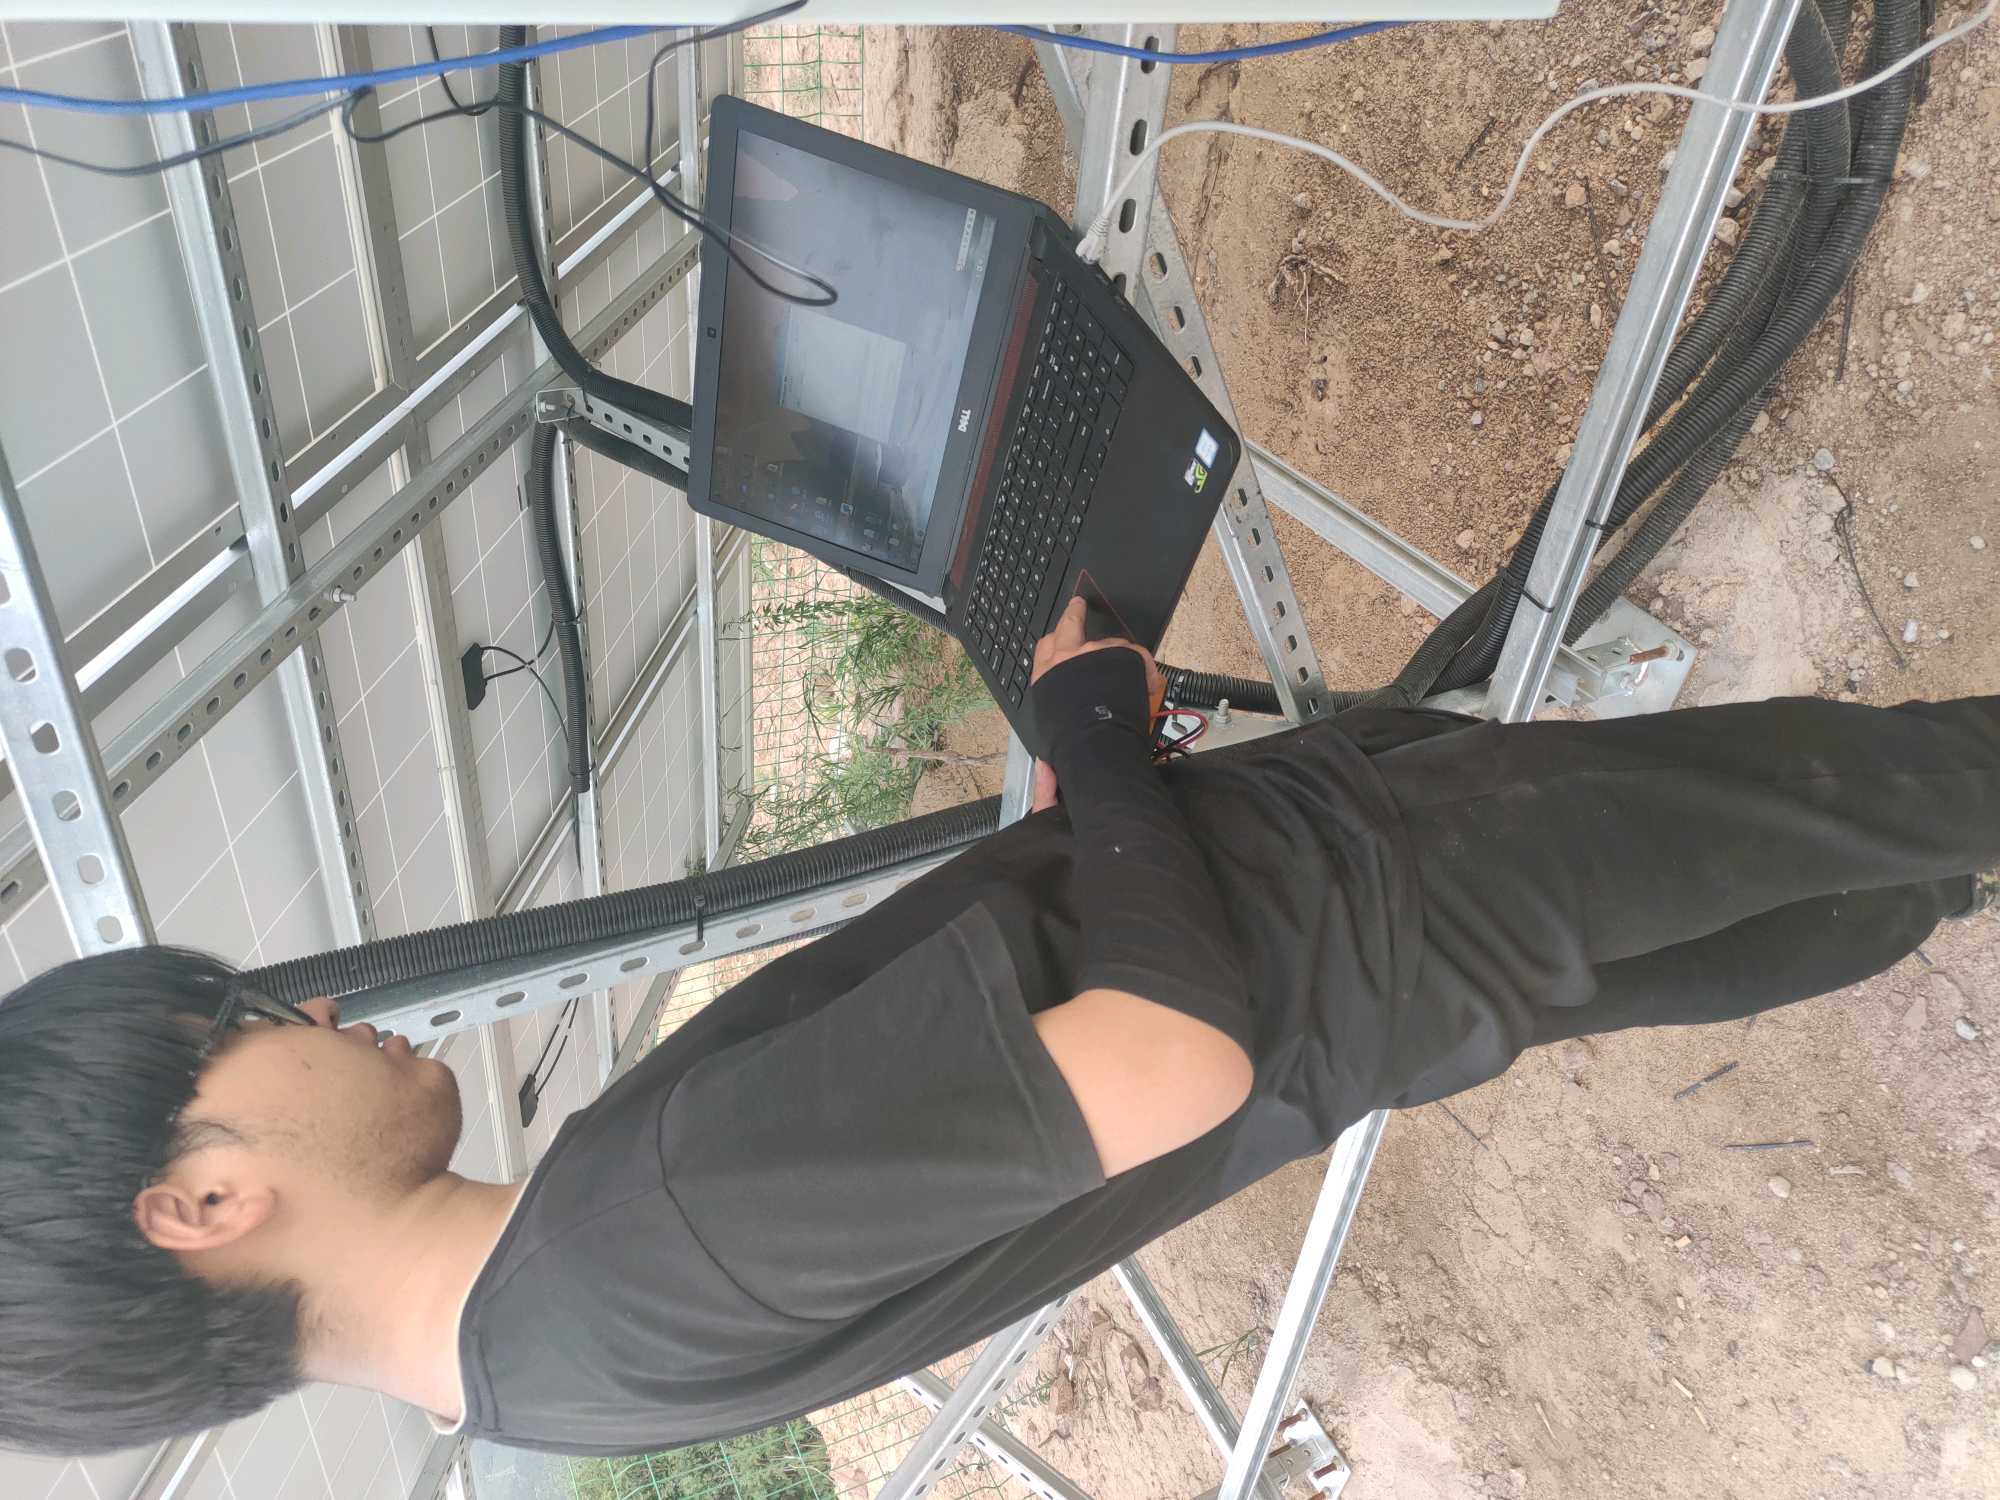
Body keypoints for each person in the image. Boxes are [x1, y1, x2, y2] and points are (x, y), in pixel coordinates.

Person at [2, 600, 1994, 1461]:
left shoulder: (540, 1368)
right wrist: (1100, 736)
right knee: (1894, 790)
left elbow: (1020, 1091)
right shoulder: (644, 1227)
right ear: (203, 1202)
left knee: (1829, 886)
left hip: (1392, 986)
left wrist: (1074, 845)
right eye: (241, 1023)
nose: (312, 1007)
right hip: (1391, 908)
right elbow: (1166, 1061)